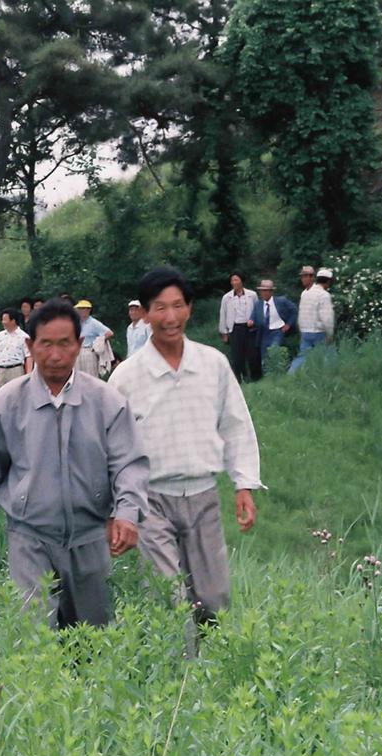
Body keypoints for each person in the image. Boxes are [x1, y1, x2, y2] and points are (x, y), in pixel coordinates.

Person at [0, 299, 149, 629]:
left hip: (90, 535)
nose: (55, 354)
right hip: (29, 535)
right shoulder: (9, 402)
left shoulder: (105, 401)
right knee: (35, 635)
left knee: (92, 635)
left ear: (79, 345)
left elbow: (129, 463)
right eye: (45, 344)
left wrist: (126, 513)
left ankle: (88, 681)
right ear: (29, 346)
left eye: (64, 343)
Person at [108, 267, 261, 650]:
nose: (170, 317)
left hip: (203, 496)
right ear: (144, 313)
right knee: (169, 601)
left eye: (178, 306)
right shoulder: (127, 376)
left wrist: (243, 484)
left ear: (190, 309)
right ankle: (180, 684)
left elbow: (235, 424)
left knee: (214, 600)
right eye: (160, 308)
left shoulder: (212, 364)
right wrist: (119, 509)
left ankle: (212, 673)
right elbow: (110, 446)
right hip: (151, 501)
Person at [290, 267, 336, 373]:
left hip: (305, 331)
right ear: (328, 281)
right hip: (319, 332)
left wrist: (301, 329)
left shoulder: (305, 293)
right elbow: (327, 317)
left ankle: (291, 374)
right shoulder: (324, 295)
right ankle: (330, 375)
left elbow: (301, 312)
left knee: (302, 356)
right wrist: (330, 333)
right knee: (329, 356)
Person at [218, 273, 260, 382]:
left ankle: (256, 378)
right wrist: (224, 332)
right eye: (232, 281)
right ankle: (239, 379)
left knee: (253, 354)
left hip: (249, 327)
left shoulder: (252, 295)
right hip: (235, 328)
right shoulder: (227, 297)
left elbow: (257, 311)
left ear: (241, 281)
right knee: (237, 356)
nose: (234, 283)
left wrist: (255, 321)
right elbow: (223, 314)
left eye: (236, 280)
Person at [252, 280, 297, 371]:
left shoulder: (281, 301)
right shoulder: (258, 304)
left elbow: (294, 311)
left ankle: (278, 372)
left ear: (271, 292)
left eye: (266, 290)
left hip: (277, 331)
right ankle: (268, 376)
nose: (263, 293)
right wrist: (251, 321)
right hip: (264, 333)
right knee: (264, 357)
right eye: (262, 290)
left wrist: (288, 324)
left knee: (274, 351)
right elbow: (253, 316)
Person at [0, 308, 31, 387]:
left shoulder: (23, 336)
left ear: (13, 321)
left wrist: (29, 375)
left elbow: (29, 357)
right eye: (2, 320)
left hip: (16, 370)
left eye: (5, 320)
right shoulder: (0, 335)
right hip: (1, 370)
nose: (3, 322)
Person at [73, 299, 114, 377]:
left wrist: (98, 342)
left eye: (82, 309)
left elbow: (109, 333)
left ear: (88, 310)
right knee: (77, 376)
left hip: (89, 351)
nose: (79, 311)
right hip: (77, 351)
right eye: (79, 309)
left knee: (90, 376)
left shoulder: (94, 323)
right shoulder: (77, 322)